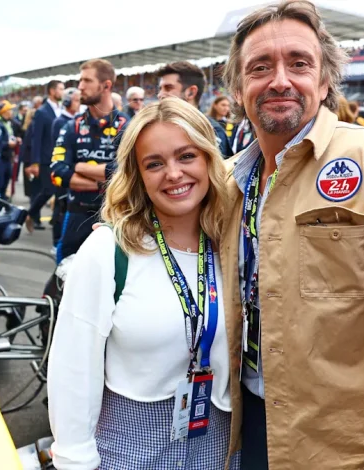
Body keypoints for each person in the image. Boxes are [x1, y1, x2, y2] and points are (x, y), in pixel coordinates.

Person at [220, 2, 364, 469]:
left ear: (324, 81)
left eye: (299, 63)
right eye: (260, 67)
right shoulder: (227, 181)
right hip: (247, 433)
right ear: (237, 88)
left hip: (355, 451)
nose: (279, 80)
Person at [48, 98, 236, 470]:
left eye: (186, 156)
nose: (173, 174)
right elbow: (72, 367)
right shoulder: (108, 250)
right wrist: (74, 459)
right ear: (137, 175)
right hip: (129, 449)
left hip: (219, 445)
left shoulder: (232, 244)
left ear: (209, 159)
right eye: (154, 163)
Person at [50, 59, 129, 264]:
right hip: (76, 214)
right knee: (64, 273)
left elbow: (128, 172)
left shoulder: (127, 126)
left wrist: (78, 166)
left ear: (106, 85)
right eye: (80, 80)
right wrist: (106, 181)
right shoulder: (71, 126)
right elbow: (57, 171)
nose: (80, 87)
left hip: (114, 217)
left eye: (87, 81)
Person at [158, 62, 234, 158]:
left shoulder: (211, 130)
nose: (160, 94)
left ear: (191, 92)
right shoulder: (157, 127)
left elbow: (220, 167)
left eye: (168, 88)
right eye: (160, 88)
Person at [26, 80, 64, 232]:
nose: (63, 92)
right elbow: (36, 138)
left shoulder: (62, 109)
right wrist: (35, 162)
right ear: (52, 91)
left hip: (60, 157)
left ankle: (56, 219)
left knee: (60, 190)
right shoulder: (42, 112)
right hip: (45, 158)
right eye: (60, 89)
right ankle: (30, 213)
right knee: (48, 190)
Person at [50, 88, 80, 247]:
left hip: (72, 171)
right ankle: (56, 241)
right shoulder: (61, 122)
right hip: (64, 170)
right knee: (60, 205)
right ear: (67, 102)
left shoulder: (77, 122)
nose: (79, 104)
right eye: (77, 100)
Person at [0, 100, 18, 199]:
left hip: (8, 157)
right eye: (10, 110)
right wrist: (7, 144)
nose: (12, 112)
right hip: (0, 158)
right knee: (0, 184)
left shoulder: (9, 123)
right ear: (5, 112)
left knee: (6, 182)